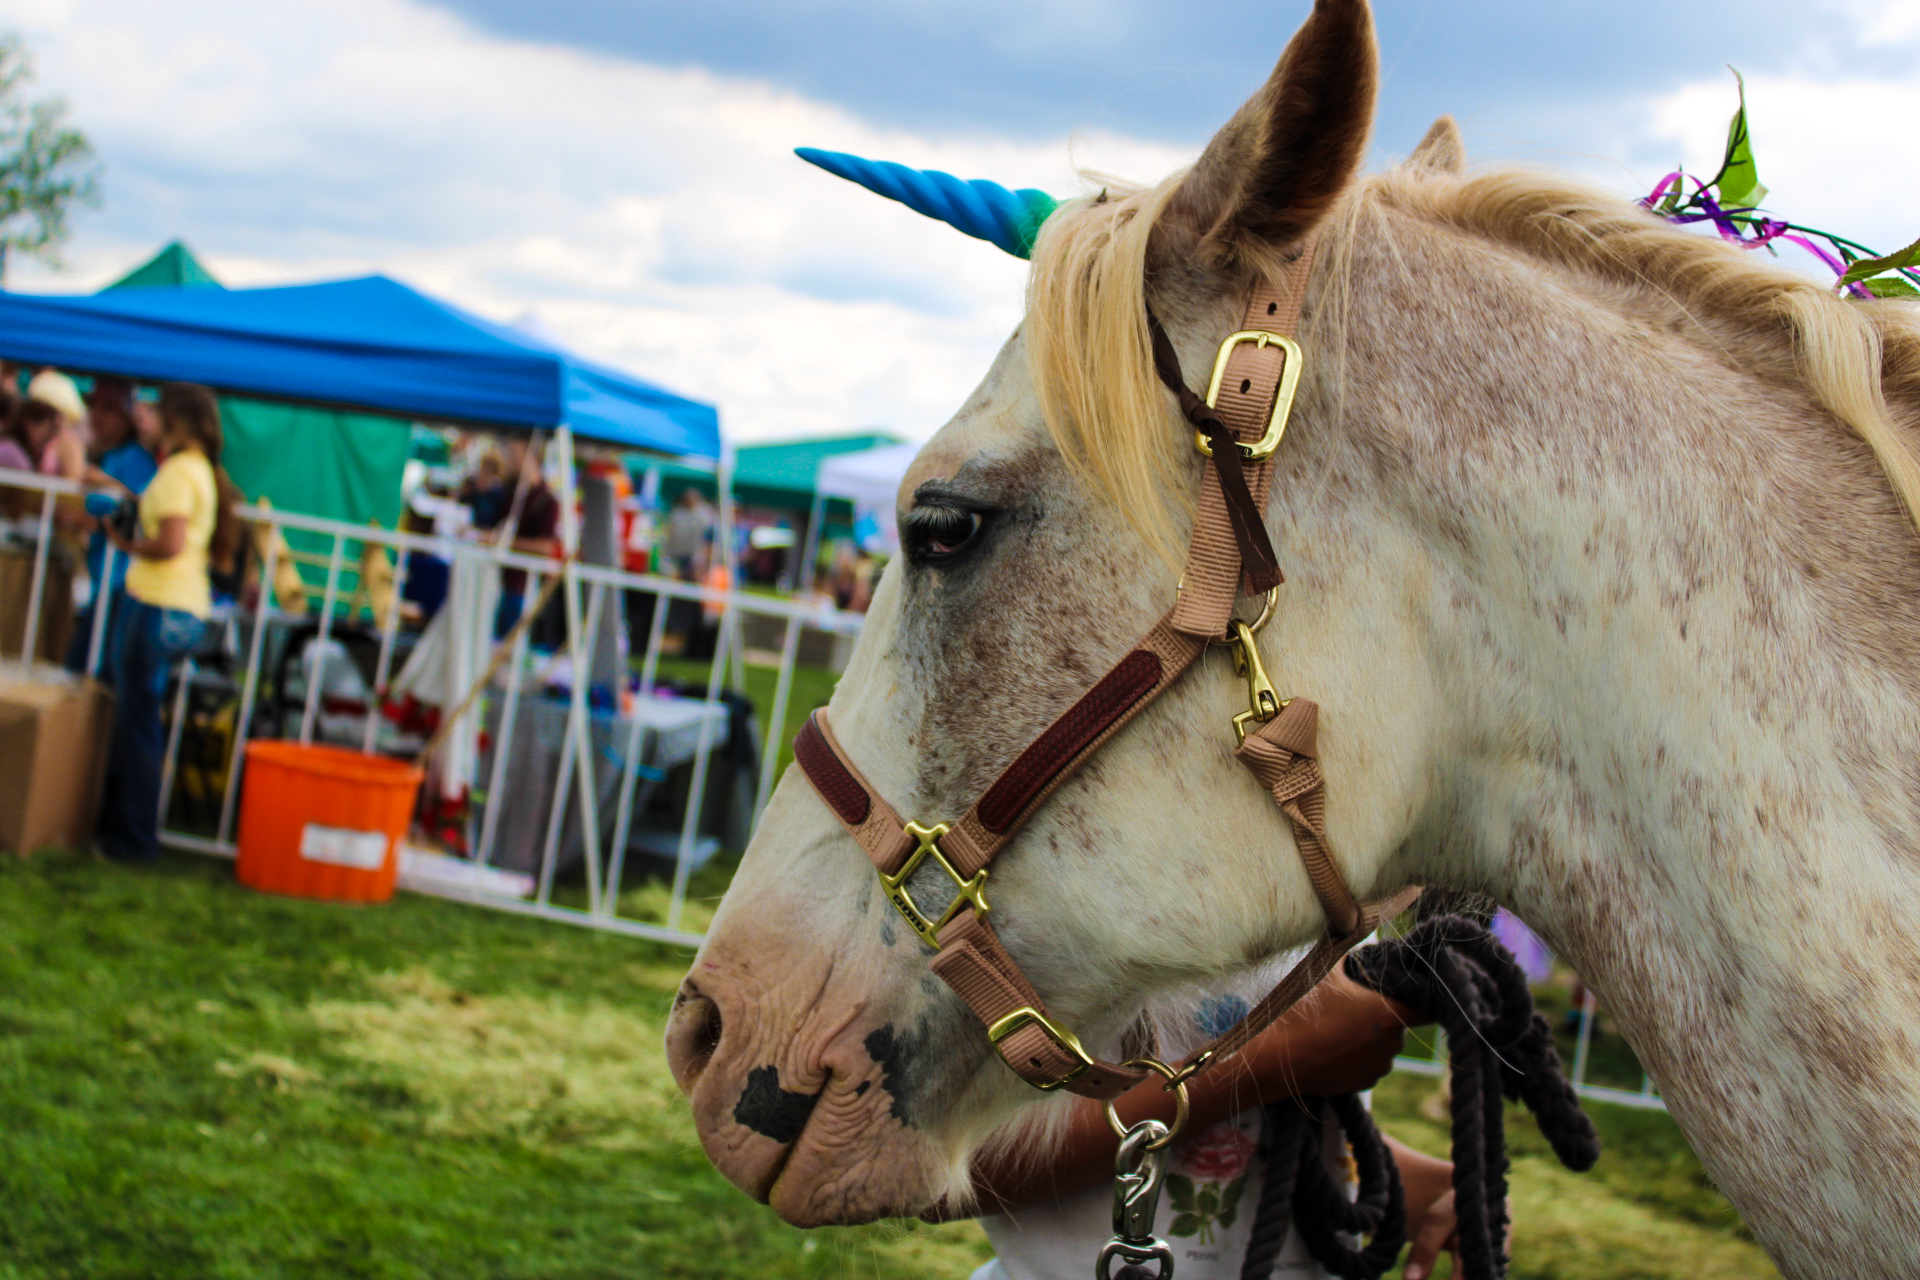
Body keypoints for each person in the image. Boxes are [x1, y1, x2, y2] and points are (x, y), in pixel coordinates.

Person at [954, 962, 1460, 1280]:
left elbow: (1274, 1145)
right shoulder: (1058, 881)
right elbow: (956, 1172)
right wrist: (1272, 1060)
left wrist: (1439, 1190)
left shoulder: (1348, 886)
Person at [95, 383, 241, 863]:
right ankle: (130, 834)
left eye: (155, 411)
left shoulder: (181, 471)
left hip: (158, 603)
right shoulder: (197, 471)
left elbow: (171, 543)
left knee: (137, 724)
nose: (145, 418)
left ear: (176, 420)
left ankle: (131, 839)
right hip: (178, 607)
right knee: (142, 720)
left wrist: (126, 544)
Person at [67, 378, 160, 676]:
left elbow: (143, 510)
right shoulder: (108, 456)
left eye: (108, 408)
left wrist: (102, 489)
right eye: (94, 407)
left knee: (89, 669)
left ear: (127, 417)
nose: (97, 416)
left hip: (120, 584)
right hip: (103, 583)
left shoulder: (133, 459)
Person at [492, 437, 560, 639]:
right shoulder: (510, 493)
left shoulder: (547, 501)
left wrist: (500, 541)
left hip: (521, 586)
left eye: (516, 456)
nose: (511, 461)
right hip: (499, 580)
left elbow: (546, 547)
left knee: (511, 642)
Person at [0, 397, 61, 519]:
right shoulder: (11, 453)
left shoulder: (16, 451)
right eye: (51, 428)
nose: (52, 436)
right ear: (30, 423)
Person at [664, 486, 715, 581]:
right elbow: (670, 531)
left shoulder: (706, 513)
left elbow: (709, 536)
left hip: (696, 554)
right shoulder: (677, 512)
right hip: (677, 552)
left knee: (693, 576)